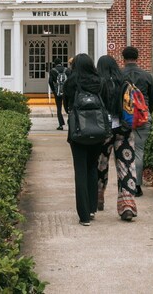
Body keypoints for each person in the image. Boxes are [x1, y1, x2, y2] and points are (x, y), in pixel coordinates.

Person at [64, 53, 106, 226]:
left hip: (79, 131)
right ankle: (91, 208)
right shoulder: (99, 82)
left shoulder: (71, 82)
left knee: (80, 171)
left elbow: (67, 106)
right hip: (97, 130)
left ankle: (84, 216)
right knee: (92, 168)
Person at [96, 54, 137, 221]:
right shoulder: (125, 83)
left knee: (100, 164)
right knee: (126, 166)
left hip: (103, 131)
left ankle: (98, 196)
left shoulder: (98, 84)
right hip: (124, 130)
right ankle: (127, 205)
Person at [122, 46, 153, 197]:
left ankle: (125, 184)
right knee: (139, 152)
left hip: (124, 118)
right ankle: (137, 186)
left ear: (123, 58)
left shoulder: (119, 75)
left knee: (124, 153)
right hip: (143, 117)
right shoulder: (146, 76)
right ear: (137, 58)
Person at [48, 57, 70, 130]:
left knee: (59, 108)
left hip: (57, 92)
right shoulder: (67, 70)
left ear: (55, 63)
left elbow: (50, 81)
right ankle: (70, 122)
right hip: (66, 92)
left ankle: (61, 125)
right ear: (61, 63)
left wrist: (53, 90)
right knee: (69, 107)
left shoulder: (53, 71)